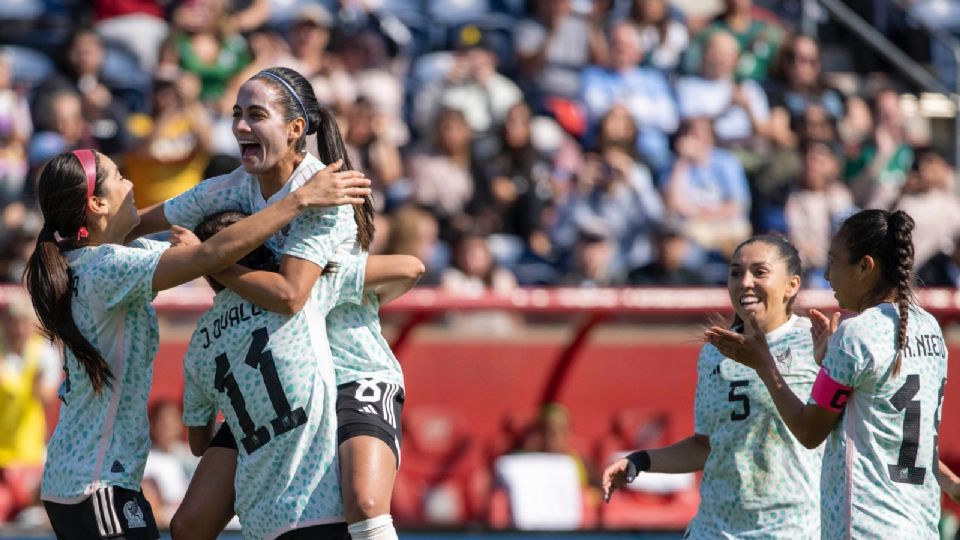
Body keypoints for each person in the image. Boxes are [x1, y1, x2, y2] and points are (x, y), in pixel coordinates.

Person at [23, 148, 368, 540]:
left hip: (83, 479)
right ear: (97, 203)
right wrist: (300, 199)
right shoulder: (106, 268)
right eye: (119, 176)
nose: (132, 182)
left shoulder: (100, 260)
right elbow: (210, 256)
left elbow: (200, 255)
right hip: (95, 482)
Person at [128, 66, 398, 540]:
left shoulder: (325, 192)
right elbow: (139, 224)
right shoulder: (231, 187)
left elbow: (291, 295)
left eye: (256, 115)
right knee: (189, 526)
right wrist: (77, 236)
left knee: (365, 501)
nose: (239, 127)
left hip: (348, 367)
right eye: (235, 115)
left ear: (296, 130)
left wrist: (208, 260)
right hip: (274, 375)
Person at [179, 211, 423, 539]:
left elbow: (198, 442)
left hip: (261, 518)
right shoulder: (300, 292)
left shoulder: (199, 342)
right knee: (366, 504)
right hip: (318, 505)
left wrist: (208, 262)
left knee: (186, 526)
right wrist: (371, 299)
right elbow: (411, 267)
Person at [704, 209, 947, 538]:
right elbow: (881, 410)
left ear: (865, 267)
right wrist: (826, 365)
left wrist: (764, 365)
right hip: (921, 523)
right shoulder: (929, 328)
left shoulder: (856, 334)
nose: (828, 275)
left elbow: (808, 431)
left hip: (866, 526)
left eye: (834, 261)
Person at [604, 235, 823, 538]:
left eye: (759, 272)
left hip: (791, 528)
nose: (745, 282)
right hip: (715, 529)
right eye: (736, 273)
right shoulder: (715, 352)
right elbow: (706, 445)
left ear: (792, 285)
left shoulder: (816, 345)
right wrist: (639, 461)